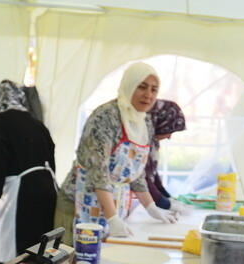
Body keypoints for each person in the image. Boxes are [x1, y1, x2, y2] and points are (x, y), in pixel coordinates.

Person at [56, 62, 178, 241]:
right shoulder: (106, 116)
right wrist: (112, 218)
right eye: (141, 87)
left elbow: (136, 172)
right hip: (80, 204)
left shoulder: (145, 123)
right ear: (129, 85)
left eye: (154, 90)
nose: (148, 95)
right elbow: (98, 171)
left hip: (113, 206)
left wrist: (151, 207)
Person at [0, 79, 57, 261]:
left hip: (23, 193)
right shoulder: (38, 124)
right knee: (40, 251)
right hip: (48, 190)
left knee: (15, 256)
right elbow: (52, 158)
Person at [143, 99, 188, 212]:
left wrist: (167, 196)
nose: (169, 137)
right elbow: (142, 177)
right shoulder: (139, 141)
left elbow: (152, 173)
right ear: (158, 123)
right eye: (168, 130)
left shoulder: (152, 143)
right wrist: (165, 203)